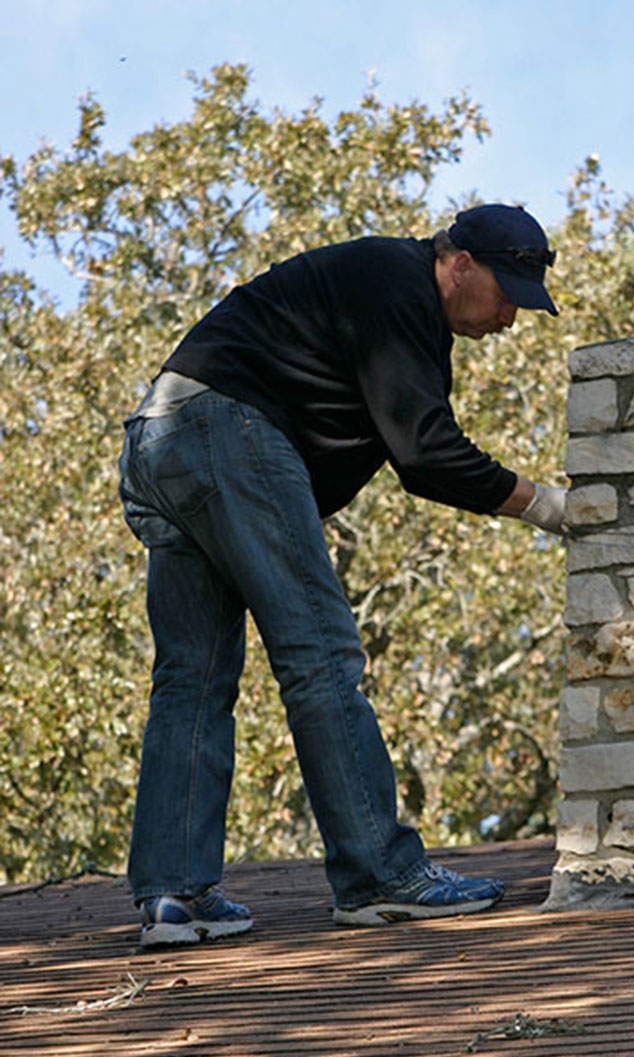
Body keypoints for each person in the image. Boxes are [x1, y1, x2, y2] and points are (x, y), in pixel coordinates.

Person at [118, 204, 567, 947]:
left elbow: (392, 444)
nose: (511, 319)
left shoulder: (387, 290)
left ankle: (175, 896)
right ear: (459, 265)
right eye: (508, 296)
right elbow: (426, 454)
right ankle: (380, 878)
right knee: (322, 655)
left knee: (191, 678)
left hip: (160, 439)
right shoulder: (400, 289)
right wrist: (548, 506)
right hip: (225, 432)